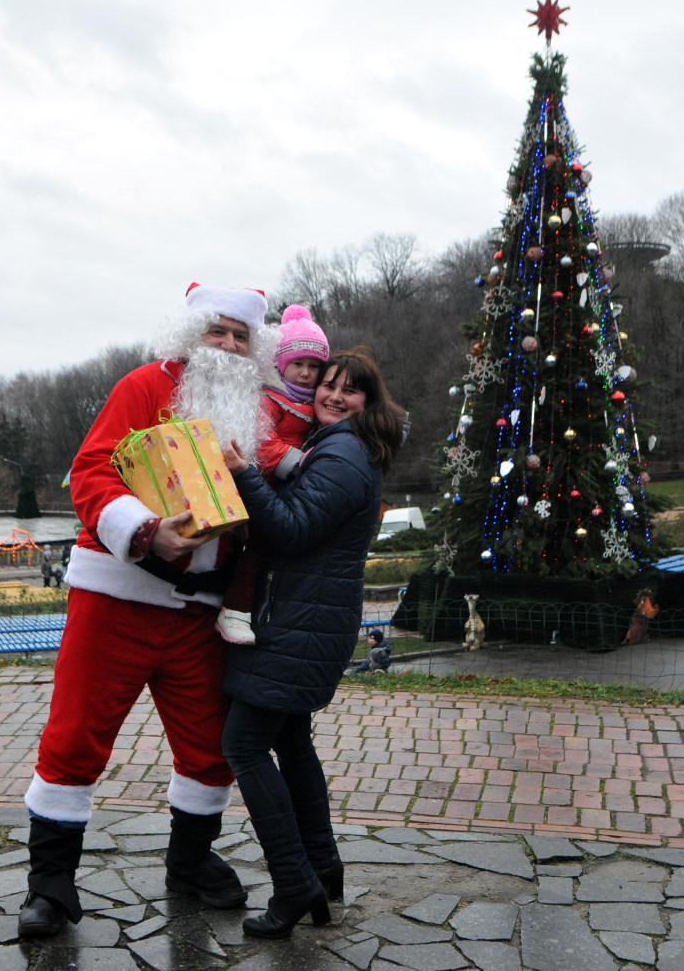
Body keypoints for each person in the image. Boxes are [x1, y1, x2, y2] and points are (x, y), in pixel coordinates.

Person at [18, 283, 272, 939]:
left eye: (241, 336)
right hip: (117, 601)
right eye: (217, 331)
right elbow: (91, 471)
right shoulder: (142, 386)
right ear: (191, 333)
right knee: (75, 737)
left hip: (199, 616)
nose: (228, 345)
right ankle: (50, 885)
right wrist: (144, 530)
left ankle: (187, 861)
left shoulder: (257, 412)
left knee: (210, 748)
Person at [220, 346, 406, 939]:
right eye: (327, 383)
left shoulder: (343, 454)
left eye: (349, 389)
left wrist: (245, 473)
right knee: (293, 742)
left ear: (367, 402)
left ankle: (293, 881)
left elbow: (294, 530)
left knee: (245, 746)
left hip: (299, 624)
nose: (332, 394)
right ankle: (323, 867)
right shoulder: (347, 448)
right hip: (312, 620)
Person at [216, 304, 330, 645]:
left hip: (287, 489)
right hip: (264, 484)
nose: (306, 374)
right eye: (298, 364)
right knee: (257, 551)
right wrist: (300, 463)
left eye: (314, 366)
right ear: (281, 364)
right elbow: (262, 443)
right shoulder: (272, 399)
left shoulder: (315, 403)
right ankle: (233, 612)